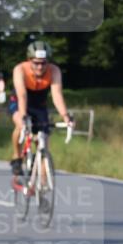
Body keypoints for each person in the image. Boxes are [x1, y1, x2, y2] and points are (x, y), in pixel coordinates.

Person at [9, 40, 74, 177]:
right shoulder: (20, 69)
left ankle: (43, 187)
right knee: (21, 125)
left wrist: (65, 116)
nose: (40, 67)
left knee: (43, 140)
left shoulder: (54, 71)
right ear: (29, 60)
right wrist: (23, 115)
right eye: (36, 63)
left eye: (43, 63)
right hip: (21, 101)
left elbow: (56, 95)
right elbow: (21, 94)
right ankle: (16, 156)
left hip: (39, 103)